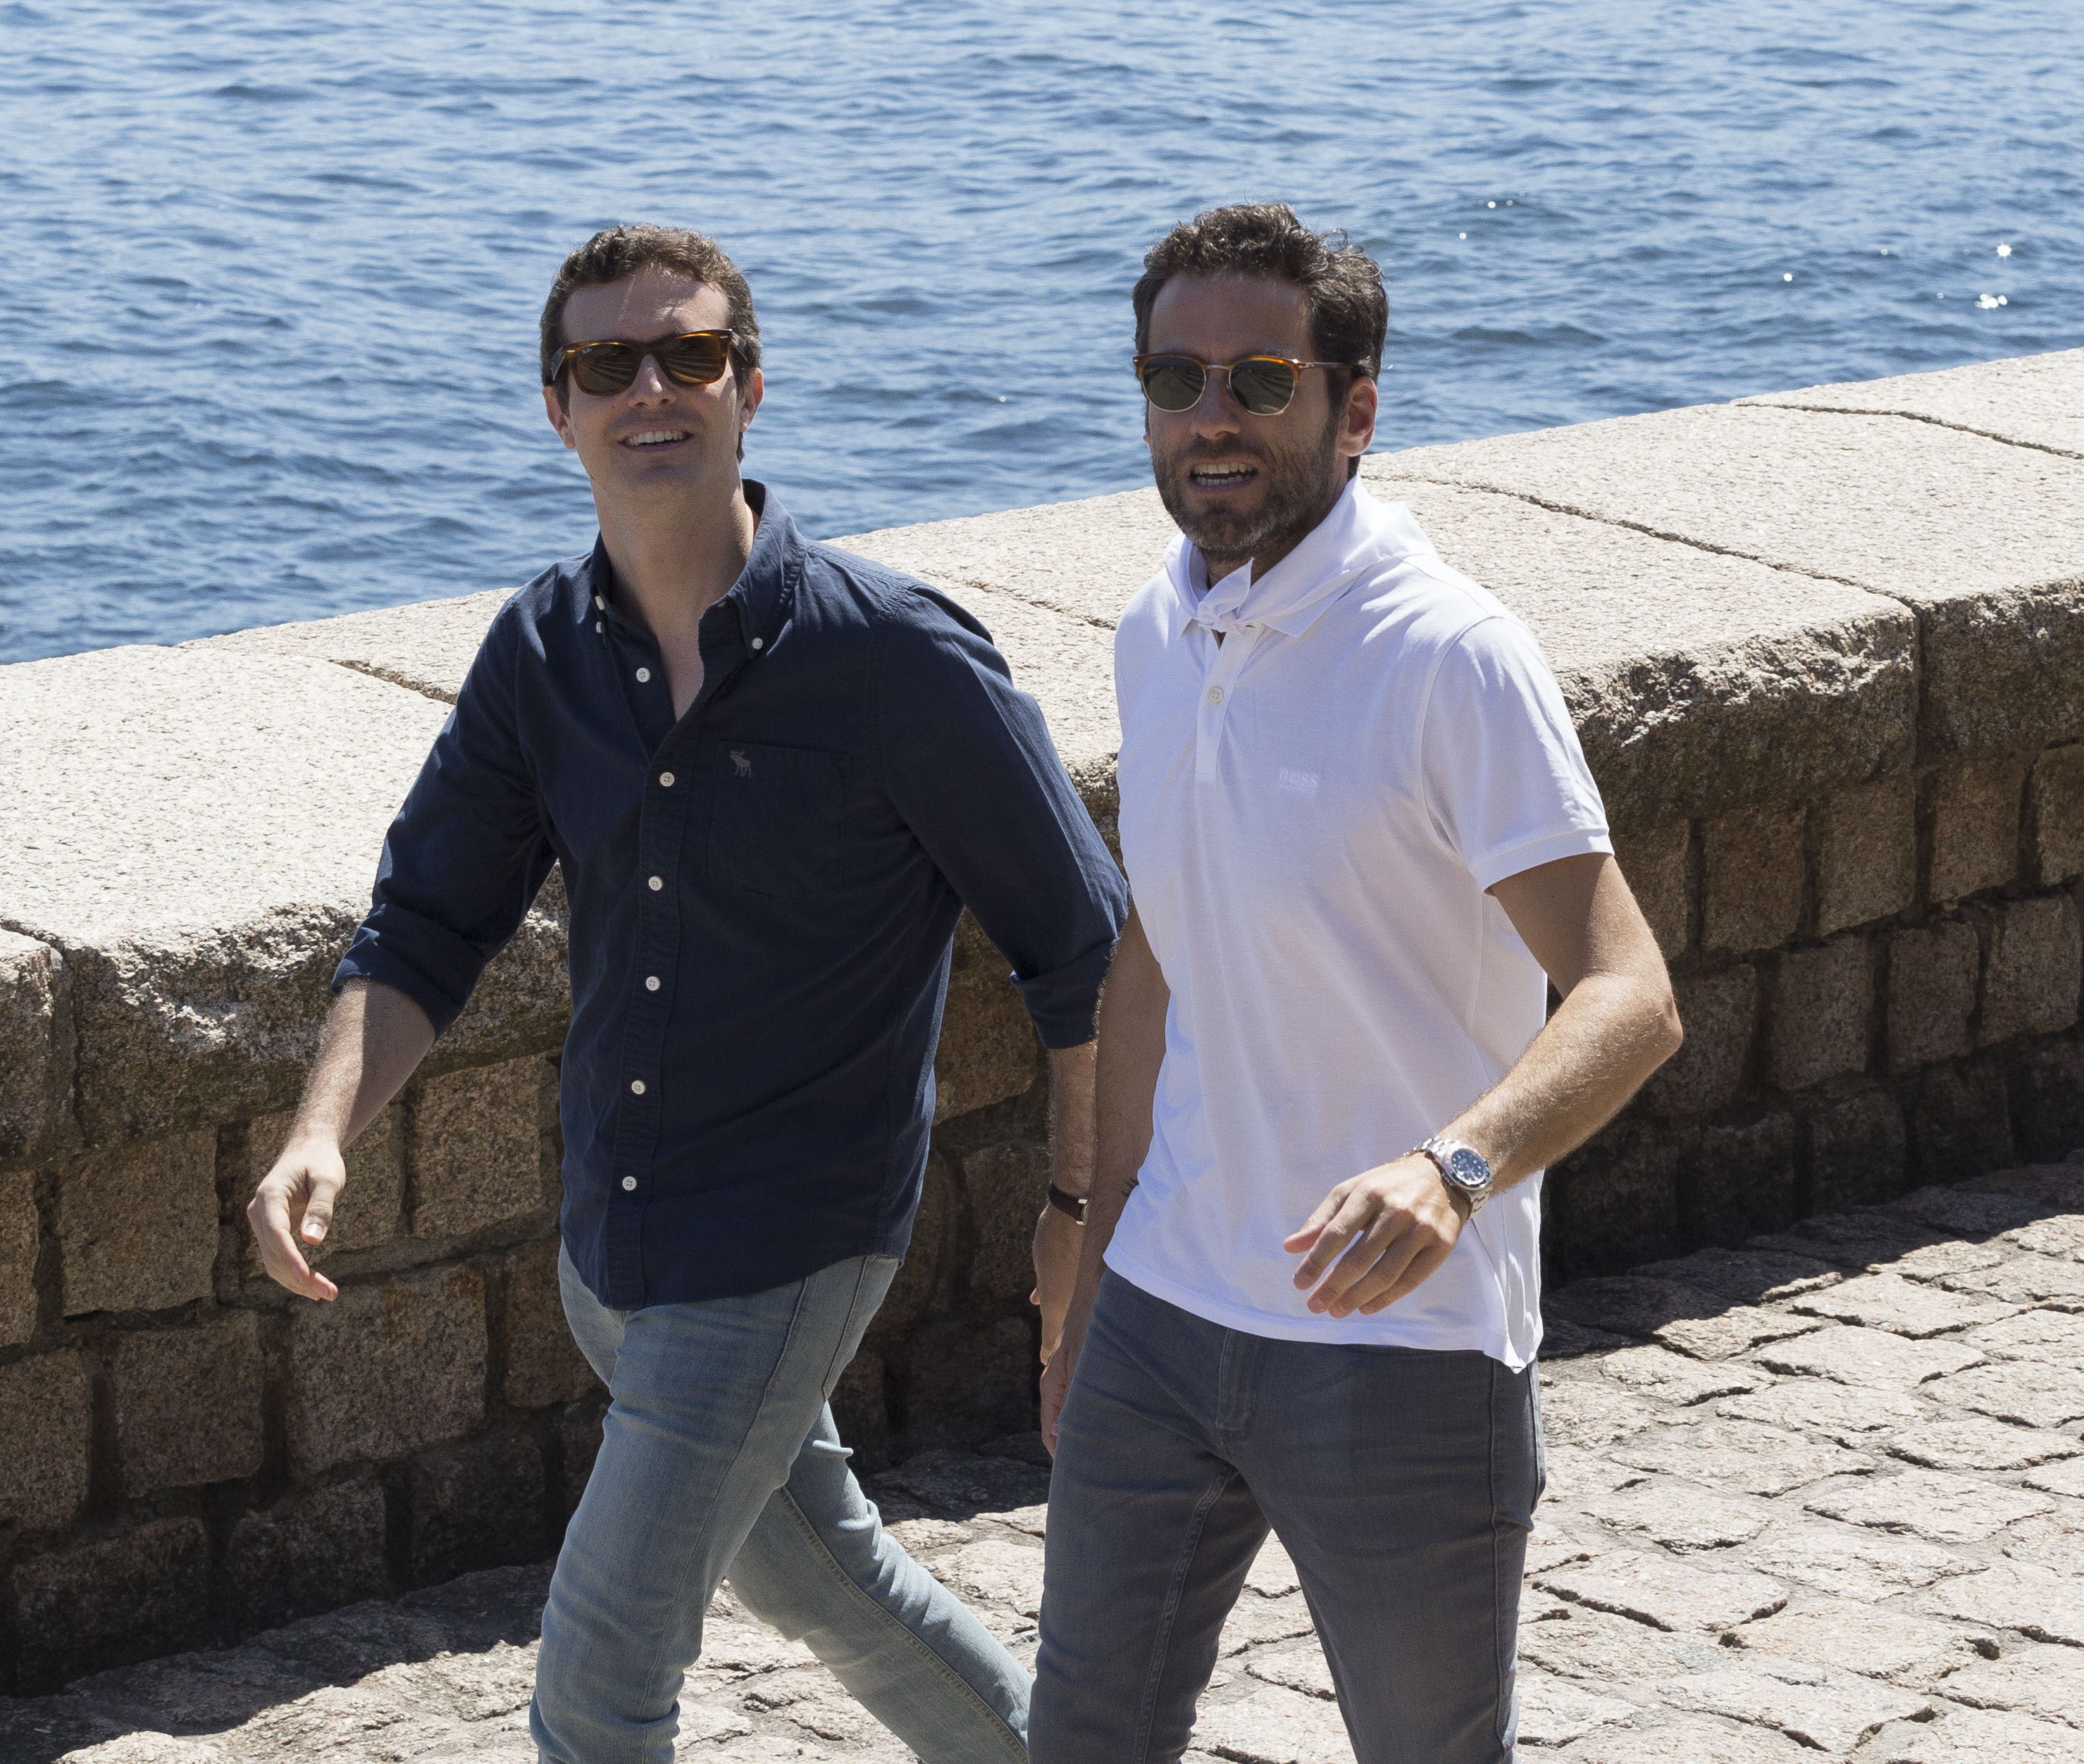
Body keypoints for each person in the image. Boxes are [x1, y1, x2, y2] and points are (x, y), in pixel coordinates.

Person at [248, 223, 1127, 1764]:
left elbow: (1087, 958)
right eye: (607, 363)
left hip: (786, 1245)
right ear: (558, 407)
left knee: (594, 1686)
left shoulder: (898, 661)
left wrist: (1075, 1214)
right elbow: (425, 926)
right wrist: (321, 1130)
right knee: (837, 1589)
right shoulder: (541, 651)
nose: (650, 387)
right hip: (613, 1248)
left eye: (690, 354)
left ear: (749, 387)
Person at [1031, 204, 1684, 1764]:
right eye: (1174, 377)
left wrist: (1450, 1171)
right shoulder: (1154, 626)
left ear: (1355, 408)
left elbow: (1627, 991)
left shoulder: (1447, 655)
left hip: (1398, 1347)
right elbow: (1153, 955)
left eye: (1261, 380)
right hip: (1164, 1314)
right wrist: (1088, 1246)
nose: (1210, 418)